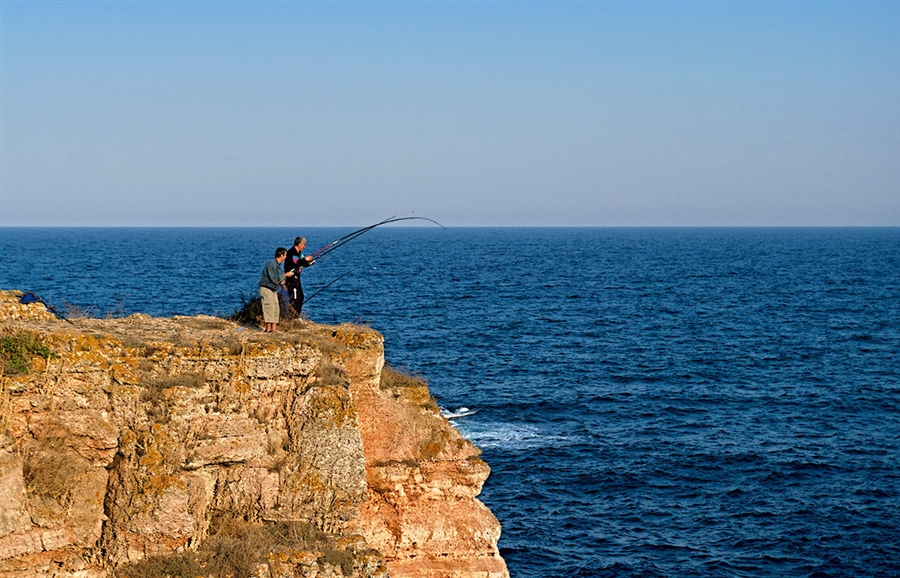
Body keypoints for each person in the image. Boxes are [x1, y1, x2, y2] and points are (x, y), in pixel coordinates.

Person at [259, 247, 294, 332]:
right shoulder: (272, 265)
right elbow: (274, 278)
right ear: (281, 255)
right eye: (285, 255)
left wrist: (282, 280)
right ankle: (268, 329)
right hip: (267, 289)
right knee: (269, 308)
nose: (286, 257)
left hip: (273, 289)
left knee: (275, 308)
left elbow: (278, 279)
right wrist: (285, 275)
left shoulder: (278, 266)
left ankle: (273, 329)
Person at [284, 236, 315, 317]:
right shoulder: (292, 253)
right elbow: (296, 264)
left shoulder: (299, 253)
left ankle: (297, 315)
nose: (304, 247)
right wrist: (305, 259)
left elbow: (301, 264)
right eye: (304, 245)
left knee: (301, 297)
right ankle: (292, 317)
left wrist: (309, 263)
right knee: (295, 298)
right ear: (299, 244)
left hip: (297, 279)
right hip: (291, 279)